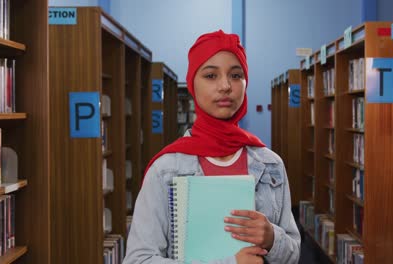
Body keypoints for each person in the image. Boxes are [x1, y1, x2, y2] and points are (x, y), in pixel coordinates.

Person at [123, 29, 301, 264]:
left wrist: (272, 239)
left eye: (236, 75)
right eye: (210, 76)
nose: (226, 86)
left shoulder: (271, 165)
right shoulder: (165, 168)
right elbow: (138, 260)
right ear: (192, 84)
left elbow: (294, 254)